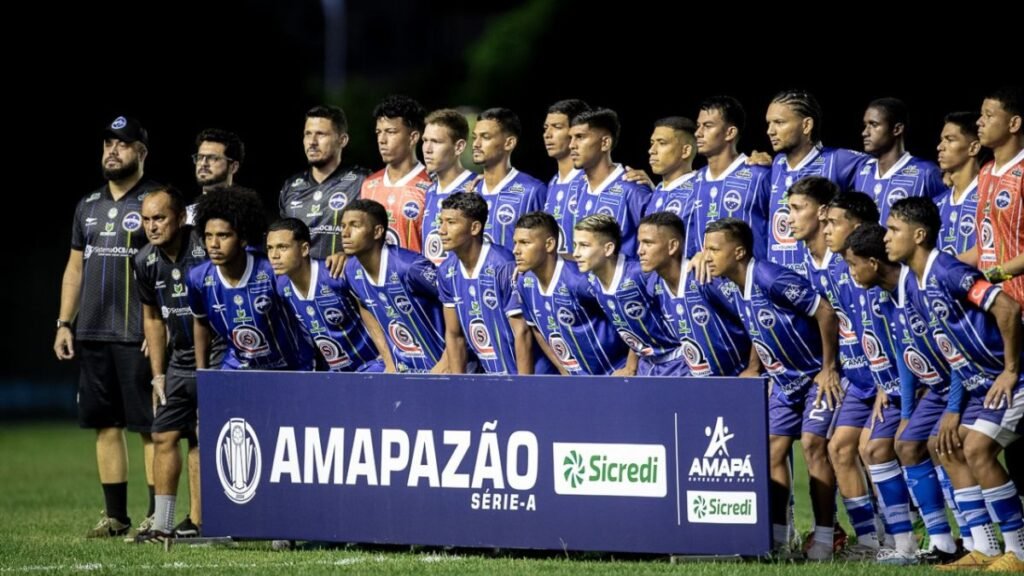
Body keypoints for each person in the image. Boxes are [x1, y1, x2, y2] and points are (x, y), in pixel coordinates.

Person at [884, 197, 1024, 571]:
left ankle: (1019, 551)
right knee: (948, 447)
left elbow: (1007, 309)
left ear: (919, 234)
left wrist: (1011, 370)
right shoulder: (914, 284)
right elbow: (950, 348)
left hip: (1009, 379)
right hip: (979, 384)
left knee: (976, 449)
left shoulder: (948, 270)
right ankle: (984, 546)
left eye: (894, 230)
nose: (887, 238)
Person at [704, 217, 841, 560]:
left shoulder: (769, 276)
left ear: (738, 252)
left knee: (812, 446)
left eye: (714, 249)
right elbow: (758, 328)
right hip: (783, 383)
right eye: (705, 248)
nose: (706, 256)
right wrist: (753, 368)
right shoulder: (736, 284)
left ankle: (825, 539)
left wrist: (828, 369)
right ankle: (779, 541)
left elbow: (825, 312)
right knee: (772, 450)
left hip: (812, 378)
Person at [54, 115, 161, 537]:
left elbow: (170, 268)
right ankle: (116, 517)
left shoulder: (157, 201)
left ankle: (158, 515)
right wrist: (65, 322)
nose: (112, 151)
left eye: (123, 143)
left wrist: (162, 330)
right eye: (107, 144)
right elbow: (75, 269)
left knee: (150, 429)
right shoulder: (89, 205)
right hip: (94, 333)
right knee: (105, 425)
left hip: (138, 335)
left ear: (141, 153)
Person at [841, 224, 970, 564]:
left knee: (941, 445)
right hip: (932, 390)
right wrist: (908, 413)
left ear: (873, 262)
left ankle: (973, 540)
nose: (851, 273)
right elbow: (904, 352)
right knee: (906, 443)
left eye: (854, 265)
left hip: (961, 384)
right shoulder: (887, 297)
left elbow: (956, 348)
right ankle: (940, 543)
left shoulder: (917, 290)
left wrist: (954, 406)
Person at [131, 186, 224, 542]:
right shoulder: (144, 261)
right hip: (179, 360)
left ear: (181, 218)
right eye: (146, 220)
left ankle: (202, 521)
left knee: (203, 435)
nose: (152, 227)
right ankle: (162, 523)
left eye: (160, 218)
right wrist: (157, 374)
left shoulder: (205, 247)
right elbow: (152, 319)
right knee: (163, 433)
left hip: (218, 353)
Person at [189, 186, 313, 372]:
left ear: (244, 238)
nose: (213, 245)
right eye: (208, 236)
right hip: (239, 367)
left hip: (290, 367)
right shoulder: (198, 278)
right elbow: (200, 322)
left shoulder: (273, 271)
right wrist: (202, 373)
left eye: (223, 236)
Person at [436, 192, 551, 374]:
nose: (441, 230)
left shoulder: (504, 266)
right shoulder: (446, 271)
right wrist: (457, 384)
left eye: (451, 222)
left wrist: (522, 387)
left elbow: (522, 333)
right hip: (492, 377)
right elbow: (454, 335)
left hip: (530, 375)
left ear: (474, 228)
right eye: (441, 222)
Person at [507, 211, 628, 375]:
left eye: (525, 243)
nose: (516, 250)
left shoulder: (579, 281)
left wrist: (630, 367)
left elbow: (627, 317)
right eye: (515, 243)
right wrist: (562, 369)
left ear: (549, 245)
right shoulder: (524, 283)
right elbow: (536, 329)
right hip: (576, 382)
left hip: (613, 373)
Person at [636, 211, 753, 377]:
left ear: (672, 246)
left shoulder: (704, 278)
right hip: (699, 386)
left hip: (735, 380)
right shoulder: (654, 286)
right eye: (640, 243)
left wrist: (753, 368)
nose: (640, 251)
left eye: (648, 243)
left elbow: (753, 319)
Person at [339, 199, 448, 373]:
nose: (345, 233)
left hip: (442, 365)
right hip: (403, 368)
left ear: (377, 232)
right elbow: (364, 305)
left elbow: (457, 303)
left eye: (354, 225)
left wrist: (448, 360)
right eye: (343, 226)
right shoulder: (352, 270)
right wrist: (389, 361)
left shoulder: (410, 266)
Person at [764, 90, 866, 276]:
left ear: (806, 125)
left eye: (779, 122)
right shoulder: (776, 163)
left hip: (828, 279)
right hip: (782, 281)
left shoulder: (837, 160)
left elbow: (884, 171)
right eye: (769, 123)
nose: (770, 131)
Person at [267, 217, 386, 372]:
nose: (274, 255)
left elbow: (377, 308)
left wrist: (387, 360)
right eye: (270, 248)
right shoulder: (283, 287)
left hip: (374, 365)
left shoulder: (335, 274)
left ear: (304, 249)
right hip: (336, 374)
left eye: (282, 247)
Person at [572, 214, 685, 376]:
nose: (576, 253)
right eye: (575, 245)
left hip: (678, 362)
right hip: (646, 366)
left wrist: (699, 258)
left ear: (608, 249)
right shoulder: (592, 282)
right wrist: (631, 366)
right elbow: (631, 327)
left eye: (584, 245)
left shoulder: (640, 274)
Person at [279, 105, 368, 260]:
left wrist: (350, 257)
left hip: (345, 282)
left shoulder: (363, 181)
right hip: (301, 283)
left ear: (342, 140)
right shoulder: (290, 187)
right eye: (308, 134)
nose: (312, 142)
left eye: (320, 134)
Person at [686, 96, 770, 259]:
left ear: (730, 132)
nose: (698, 133)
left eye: (707, 126)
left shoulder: (759, 175)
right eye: (698, 126)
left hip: (750, 281)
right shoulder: (693, 181)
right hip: (705, 282)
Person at [566, 108, 652, 258]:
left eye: (580, 137)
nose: (571, 145)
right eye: (571, 138)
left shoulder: (632, 188)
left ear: (605, 143)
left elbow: (657, 244)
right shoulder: (578, 187)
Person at [854, 97, 946, 225]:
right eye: (865, 125)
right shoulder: (862, 171)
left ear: (896, 129)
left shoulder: (926, 172)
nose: (865, 132)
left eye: (874, 125)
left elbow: (943, 218)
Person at [972, 87, 1024, 305]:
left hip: (1019, 304)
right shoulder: (985, 172)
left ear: (1013, 124)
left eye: (989, 115)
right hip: (991, 303)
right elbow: (983, 248)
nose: (979, 122)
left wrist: (993, 275)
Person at [360, 94, 431, 251]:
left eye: (391, 132)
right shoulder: (368, 185)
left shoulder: (431, 186)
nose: (382, 139)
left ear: (413, 138)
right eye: (378, 132)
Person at [471, 107, 547, 250]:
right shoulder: (470, 191)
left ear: (509, 143)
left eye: (485, 137)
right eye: (475, 137)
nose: (476, 144)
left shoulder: (532, 191)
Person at [420, 109, 477, 265]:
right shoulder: (429, 192)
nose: (427, 149)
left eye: (436, 142)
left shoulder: (476, 189)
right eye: (425, 140)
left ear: (459, 147)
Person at [541, 99, 591, 255]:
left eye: (557, 127)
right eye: (545, 128)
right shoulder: (552, 183)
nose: (547, 135)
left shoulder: (592, 180)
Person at [935, 112, 985, 256]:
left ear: (973, 148)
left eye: (949, 140)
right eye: (941, 140)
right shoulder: (937, 203)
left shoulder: (989, 196)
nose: (940, 147)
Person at [645, 116, 698, 216]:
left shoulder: (700, 192)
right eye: (652, 143)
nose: (651, 150)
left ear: (685, 151)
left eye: (662, 143)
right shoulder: (654, 192)